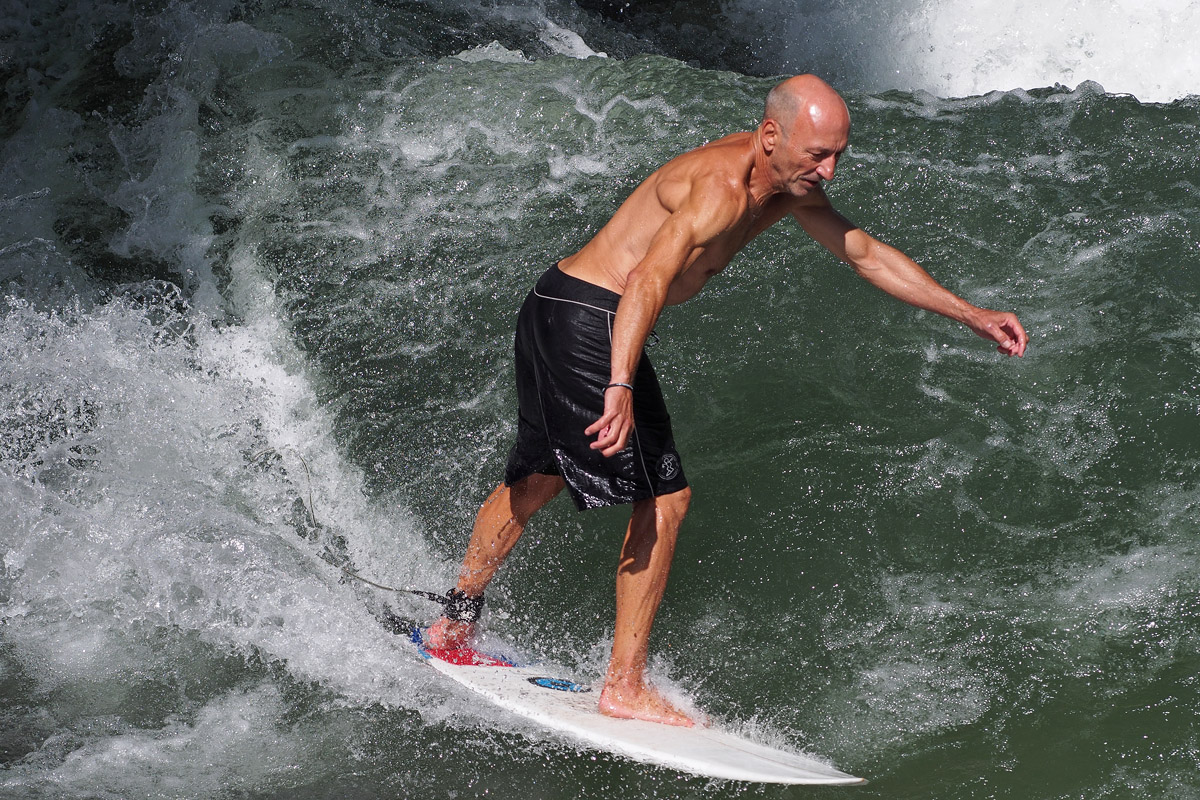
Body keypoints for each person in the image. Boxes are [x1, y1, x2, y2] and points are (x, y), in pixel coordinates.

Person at [426, 74, 1028, 727]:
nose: (828, 171)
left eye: (837, 157)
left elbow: (865, 254)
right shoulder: (718, 190)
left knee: (538, 477)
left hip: (557, 302)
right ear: (771, 136)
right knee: (665, 496)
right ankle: (624, 685)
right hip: (596, 315)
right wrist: (620, 382)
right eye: (816, 155)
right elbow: (646, 279)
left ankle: (454, 620)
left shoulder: (787, 188)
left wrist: (969, 314)